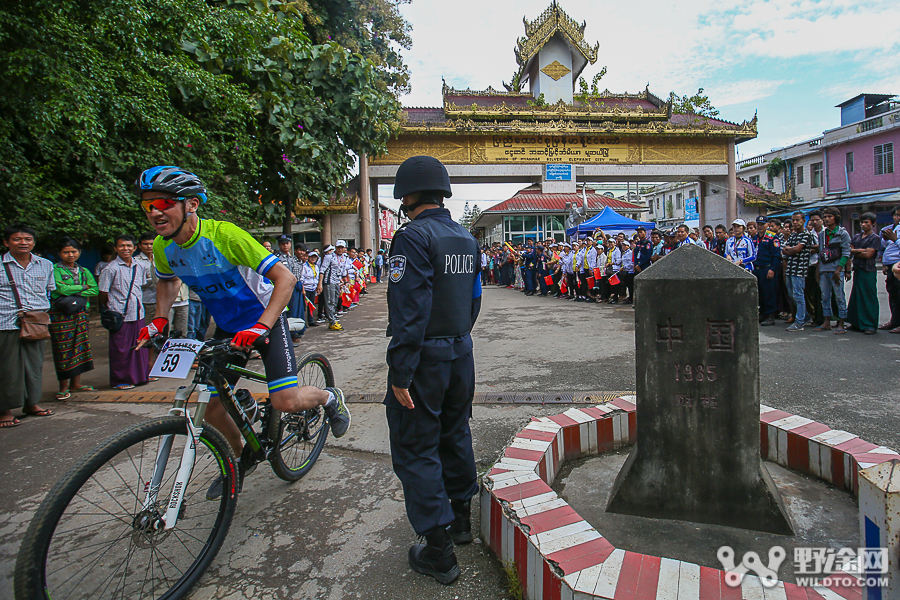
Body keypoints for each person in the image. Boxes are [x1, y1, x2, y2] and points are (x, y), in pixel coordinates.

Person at [132, 165, 350, 498]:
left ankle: (330, 398)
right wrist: (160, 319)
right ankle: (238, 459)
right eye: (148, 205)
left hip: (265, 319)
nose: (155, 212)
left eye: (164, 203)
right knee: (213, 406)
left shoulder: (224, 236)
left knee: (285, 399)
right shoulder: (163, 247)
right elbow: (166, 279)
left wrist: (261, 325)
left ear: (191, 204)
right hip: (228, 327)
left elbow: (286, 280)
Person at [385, 156, 482, 585]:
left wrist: (401, 371)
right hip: (461, 353)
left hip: (424, 360)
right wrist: (457, 337)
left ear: (408, 195)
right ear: (440, 191)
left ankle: (438, 551)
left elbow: (410, 310)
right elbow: (475, 298)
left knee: (416, 445)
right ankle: (461, 520)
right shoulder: (465, 237)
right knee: (455, 431)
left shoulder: (412, 238)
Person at [1, 224, 56, 428]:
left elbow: (49, 291)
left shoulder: (45, 265)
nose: (23, 243)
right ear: (7, 242)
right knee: (7, 368)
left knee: (34, 365)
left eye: (27, 239)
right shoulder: (1, 265)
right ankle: (5, 410)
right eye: (17, 239)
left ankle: (31, 403)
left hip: (36, 322)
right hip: (5, 323)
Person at [49, 238, 98, 399]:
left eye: (73, 251)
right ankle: (63, 387)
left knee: (80, 346)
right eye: (66, 252)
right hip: (62, 315)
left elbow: (95, 290)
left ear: (79, 253)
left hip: (81, 314)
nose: (70, 254)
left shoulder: (84, 271)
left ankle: (76, 383)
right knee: (63, 348)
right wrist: (83, 288)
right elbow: (59, 288)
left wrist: (72, 291)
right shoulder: (55, 270)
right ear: (60, 253)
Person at [99, 234, 150, 389]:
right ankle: (120, 380)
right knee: (120, 350)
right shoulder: (110, 269)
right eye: (121, 246)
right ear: (116, 248)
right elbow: (103, 292)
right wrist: (109, 310)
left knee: (139, 346)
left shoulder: (139, 266)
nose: (125, 249)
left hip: (138, 313)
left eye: (129, 246)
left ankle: (140, 376)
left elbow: (141, 286)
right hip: (120, 314)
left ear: (134, 248)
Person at [815, 207, 851, 333]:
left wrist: (839, 270)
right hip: (824, 269)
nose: (827, 219)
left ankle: (841, 322)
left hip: (836, 269)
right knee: (825, 296)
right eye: (825, 217)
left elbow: (846, 253)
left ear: (836, 217)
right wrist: (818, 270)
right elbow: (821, 253)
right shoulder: (822, 234)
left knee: (839, 296)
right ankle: (826, 322)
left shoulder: (842, 233)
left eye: (829, 217)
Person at [847, 212, 881, 335]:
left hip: (868, 270)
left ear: (873, 224)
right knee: (857, 297)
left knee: (869, 297)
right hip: (858, 269)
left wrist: (856, 251)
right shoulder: (856, 237)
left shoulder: (875, 238)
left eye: (866, 222)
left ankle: (870, 325)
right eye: (862, 222)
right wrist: (859, 251)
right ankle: (856, 323)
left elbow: (868, 254)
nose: (863, 224)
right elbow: (849, 251)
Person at [781, 212, 816, 332]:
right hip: (790, 268)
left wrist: (791, 250)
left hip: (800, 270)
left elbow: (796, 249)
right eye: (793, 220)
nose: (795, 223)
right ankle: (805, 315)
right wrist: (791, 250)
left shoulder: (806, 235)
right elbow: (784, 250)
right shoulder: (793, 235)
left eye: (797, 220)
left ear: (803, 221)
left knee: (798, 295)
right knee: (792, 294)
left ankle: (799, 322)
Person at [273, 235, 305, 344]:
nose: (285, 245)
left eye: (287, 243)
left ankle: (291, 335)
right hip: (282, 288)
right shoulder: (277, 257)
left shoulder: (290, 257)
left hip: (292, 287)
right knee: (284, 312)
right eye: (283, 243)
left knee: (292, 311)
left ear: (290, 244)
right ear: (279, 245)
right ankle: (285, 337)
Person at [754, 218, 782, 326]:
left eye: (763, 224)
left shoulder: (772, 237)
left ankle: (771, 315)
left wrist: (772, 269)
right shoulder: (755, 238)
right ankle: (763, 313)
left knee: (769, 293)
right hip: (757, 268)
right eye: (758, 224)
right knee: (760, 293)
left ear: (768, 225)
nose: (760, 226)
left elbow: (776, 255)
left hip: (767, 267)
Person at [318, 242, 349, 331]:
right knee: (330, 301)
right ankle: (332, 321)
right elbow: (322, 270)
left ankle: (333, 318)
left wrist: (345, 281)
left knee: (335, 301)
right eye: (338, 247)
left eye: (341, 247)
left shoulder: (344, 257)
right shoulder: (329, 256)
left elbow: (343, 271)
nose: (340, 249)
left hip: (337, 282)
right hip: (329, 281)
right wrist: (320, 283)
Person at [879, 206, 900, 333]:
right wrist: (886, 239)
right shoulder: (895, 228)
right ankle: (894, 321)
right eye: (896, 215)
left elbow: (896, 242)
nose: (897, 218)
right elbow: (886, 247)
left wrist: (895, 239)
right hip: (891, 266)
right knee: (893, 295)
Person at [301, 250, 320, 327]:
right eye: (311, 257)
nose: (313, 259)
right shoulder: (304, 266)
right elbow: (301, 278)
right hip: (306, 288)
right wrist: (303, 290)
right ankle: (303, 322)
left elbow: (317, 278)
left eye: (315, 257)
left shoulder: (316, 267)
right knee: (304, 306)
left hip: (313, 288)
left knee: (311, 305)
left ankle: (311, 320)